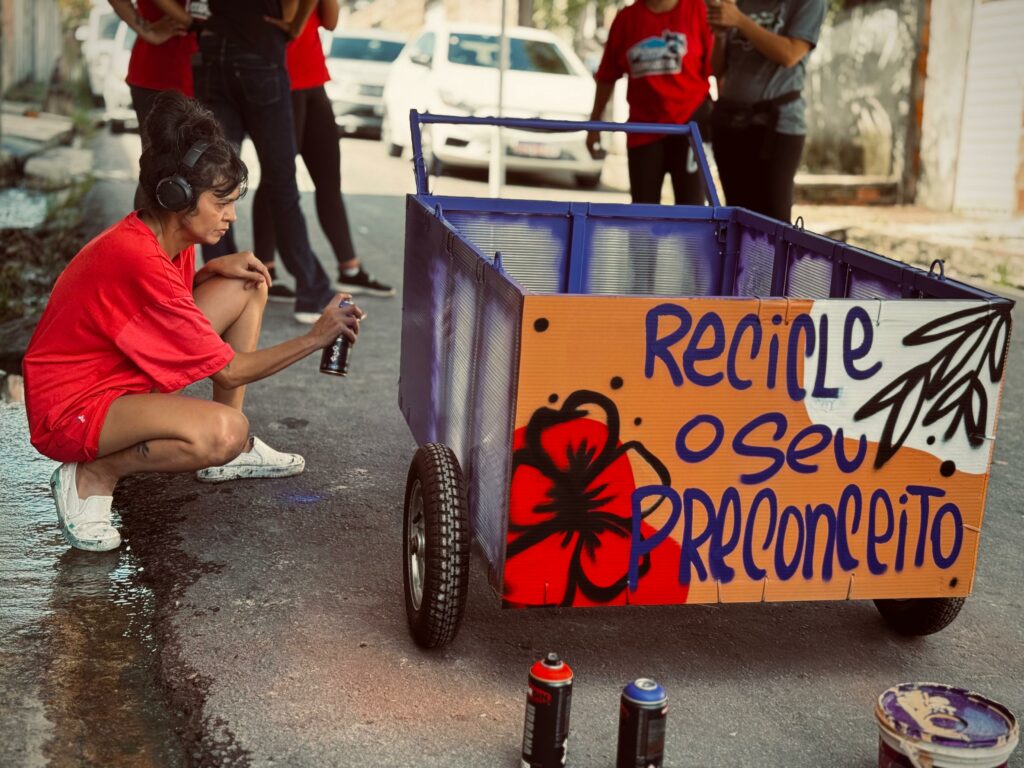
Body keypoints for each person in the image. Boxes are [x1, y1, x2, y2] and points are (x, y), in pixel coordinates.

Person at [22, 92, 364, 553]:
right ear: (177, 197)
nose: (231, 215)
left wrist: (207, 272)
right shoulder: (137, 256)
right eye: (221, 202)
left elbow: (149, 306)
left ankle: (232, 455)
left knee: (249, 281)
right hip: (72, 409)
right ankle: (91, 476)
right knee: (222, 432)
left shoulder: (166, 237)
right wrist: (315, 337)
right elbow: (228, 369)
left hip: (116, 376)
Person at [152, 0, 338, 323]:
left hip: (212, 51)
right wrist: (294, 25)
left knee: (213, 176)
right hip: (260, 48)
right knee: (281, 177)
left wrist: (187, 20)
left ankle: (221, 285)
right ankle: (310, 290)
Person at [251, 0, 394, 301]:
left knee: (329, 180)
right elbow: (289, 16)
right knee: (278, 176)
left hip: (314, 80)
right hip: (280, 80)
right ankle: (265, 269)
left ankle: (350, 269)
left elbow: (329, 21)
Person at [707, 0, 826, 222]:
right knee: (737, 219)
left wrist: (740, 21)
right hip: (729, 121)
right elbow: (717, 69)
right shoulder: (738, 3)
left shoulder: (808, 3)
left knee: (774, 222)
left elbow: (790, 54)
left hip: (777, 126)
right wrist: (721, 35)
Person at [587, 0, 715, 205]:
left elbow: (718, 67)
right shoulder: (626, 19)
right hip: (644, 128)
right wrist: (594, 125)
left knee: (692, 208)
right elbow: (606, 76)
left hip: (690, 125)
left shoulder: (697, 9)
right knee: (643, 210)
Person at [108, 0, 193, 208]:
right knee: (158, 172)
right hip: (160, 74)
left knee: (210, 174)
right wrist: (144, 29)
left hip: (220, 74)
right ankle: (143, 241)